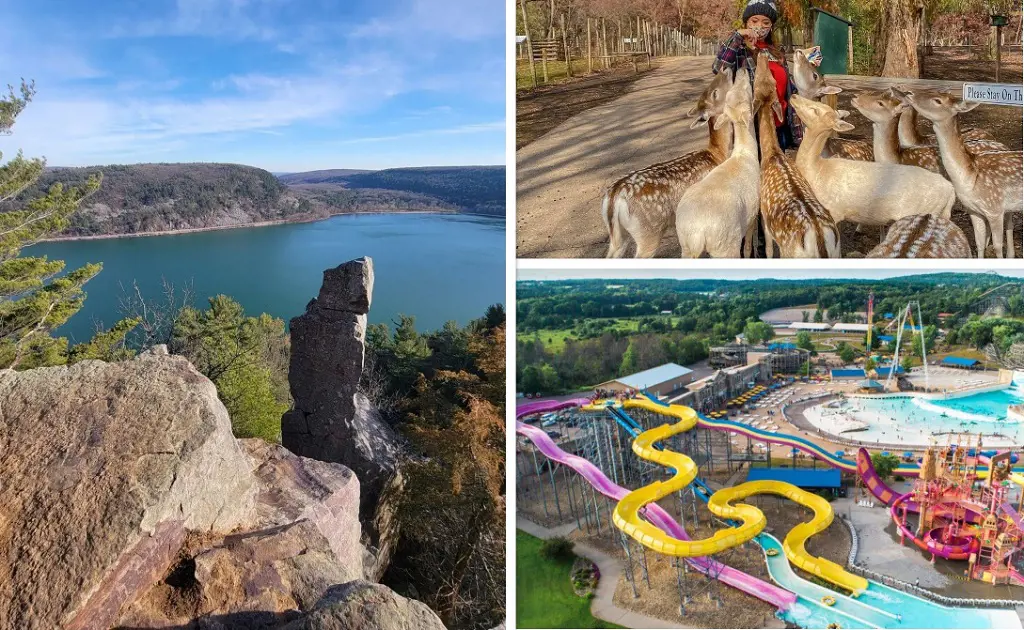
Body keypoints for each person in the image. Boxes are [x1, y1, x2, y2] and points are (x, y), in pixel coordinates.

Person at [712, 0, 803, 151]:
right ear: (746, 22)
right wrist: (738, 36)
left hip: (780, 127)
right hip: (753, 129)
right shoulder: (739, 50)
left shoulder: (777, 51)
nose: (759, 26)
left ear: (771, 25)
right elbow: (718, 68)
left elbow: (789, 90)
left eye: (765, 22)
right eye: (754, 20)